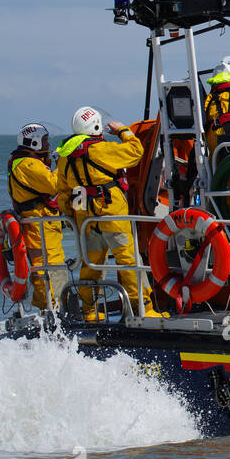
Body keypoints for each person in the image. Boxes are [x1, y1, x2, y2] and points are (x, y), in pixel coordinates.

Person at [56, 106, 164, 319]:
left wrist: (70, 218)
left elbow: (62, 191)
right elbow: (136, 152)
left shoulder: (65, 156)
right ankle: (144, 308)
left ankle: (88, 310)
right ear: (96, 126)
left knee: (91, 264)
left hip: (84, 216)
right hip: (112, 215)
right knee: (129, 261)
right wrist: (123, 131)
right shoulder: (102, 150)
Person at [7, 123, 67, 310]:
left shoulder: (27, 162)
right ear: (33, 142)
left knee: (50, 265)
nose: (47, 145)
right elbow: (53, 183)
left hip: (43, 223)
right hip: (39, 225)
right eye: (45, 141)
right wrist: (63, 162)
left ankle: (53, 306)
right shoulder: (28, 164)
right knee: (47, 266)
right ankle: (51, 308)